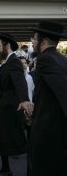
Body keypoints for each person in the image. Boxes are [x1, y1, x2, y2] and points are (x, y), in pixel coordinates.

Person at [0, 34, 33, 176]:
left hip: (12, 107)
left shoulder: (14, 62)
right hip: (5, 105)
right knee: (3, 139)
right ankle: (6, 169)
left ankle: (34, 168)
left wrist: (24, 100)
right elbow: (6, 87)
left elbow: (20, 82)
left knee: (14, 139)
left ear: (7, 46)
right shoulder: (6, 63)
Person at [30, 20, 67, 176]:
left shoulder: (45, 60)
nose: (32, 41)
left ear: (43, 41)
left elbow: (63, 90)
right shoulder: (62, 58)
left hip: (48, 128)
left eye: (34, 38)